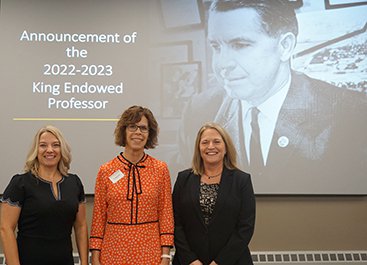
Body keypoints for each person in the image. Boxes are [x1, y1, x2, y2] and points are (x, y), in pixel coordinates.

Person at [178, 0, 367, 194]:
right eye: (216, 47)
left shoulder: (351, 112)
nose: (222, 64)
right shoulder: (198, 111)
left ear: (285, 46)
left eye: (241, 45)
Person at [89, 105, 174, 265]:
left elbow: (166, 213)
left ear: (149, 134)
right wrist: (95, 254)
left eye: (143, 128)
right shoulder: (106, 170)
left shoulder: (160, 169)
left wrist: (166, 255)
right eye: (132, 127)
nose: (138, 132)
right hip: (113, 252)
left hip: (150, 252)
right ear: (124, 131)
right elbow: (99, 216)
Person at [0, 125, 88, 265]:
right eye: (43, 145)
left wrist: (84, 262)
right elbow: (6, 229)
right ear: (36, 150)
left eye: (55, 145)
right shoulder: (20, 183)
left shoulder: (74, 182)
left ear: (62, 149)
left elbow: (81, 226)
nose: (49, 150)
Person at [173, 122, 256, 265]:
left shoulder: (242, 180)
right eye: (205, 142)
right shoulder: (183, 179)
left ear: (225, 148)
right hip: (189, 262)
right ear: (199, 148)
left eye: (217, 141)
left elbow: (245, 228)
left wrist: (220, 262)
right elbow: (175, 223)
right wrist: (190, 259)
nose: (211, 146)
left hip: (232, 261)